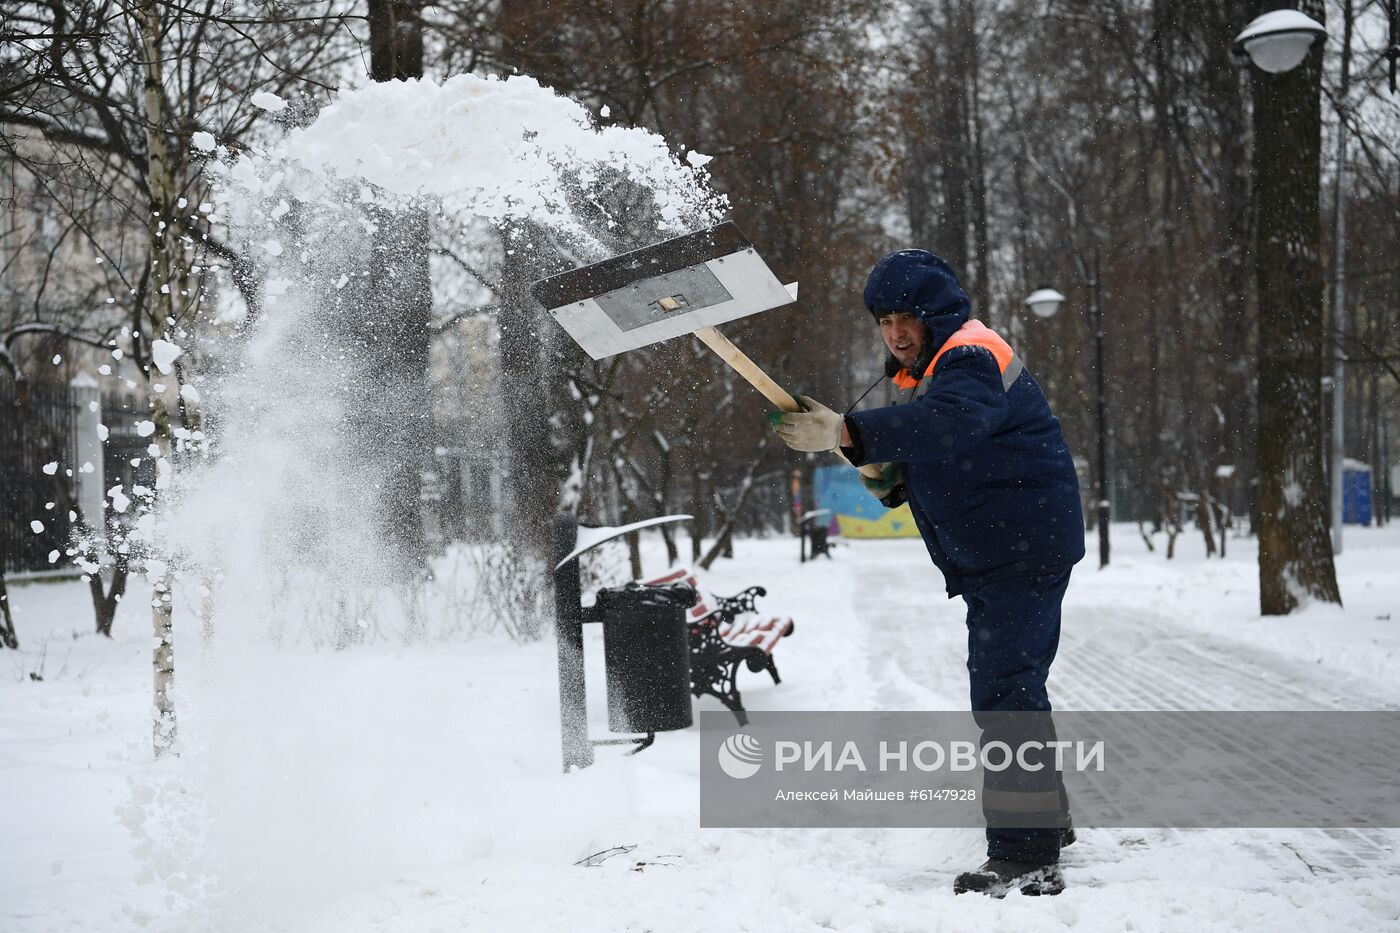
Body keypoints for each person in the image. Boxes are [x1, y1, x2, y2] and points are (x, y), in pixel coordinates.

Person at [769, 249, 1084, 897]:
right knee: (1011, 685)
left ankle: (1028, 851)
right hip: (1007, 549)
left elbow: (955, 424)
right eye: (883, 321)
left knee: (1005, 690)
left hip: (1021, 550)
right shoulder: (935, 368)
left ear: (935, 311)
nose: (894, 333)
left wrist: (851, 431)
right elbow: (955, 451)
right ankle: (1044, 822)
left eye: (905, 317)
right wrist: (893, 479)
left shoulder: (968, 354)